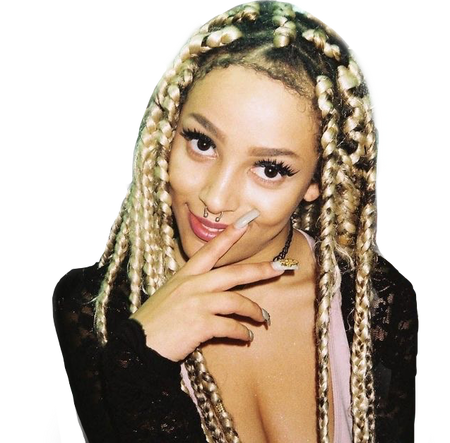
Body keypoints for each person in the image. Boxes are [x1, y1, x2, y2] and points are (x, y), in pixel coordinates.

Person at [49, 1, 420, 442]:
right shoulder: (93, 310)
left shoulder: (376, 303)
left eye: (270, 168)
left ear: (316, 182)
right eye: (202, 143)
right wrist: (140, 365)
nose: (215, 197)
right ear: (168, 130)